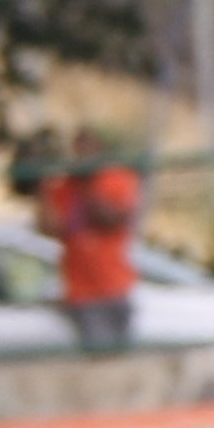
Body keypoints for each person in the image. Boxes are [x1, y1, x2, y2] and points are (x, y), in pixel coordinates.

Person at [38, 128, 141, 354]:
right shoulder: (65, 187)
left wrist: (87, 185)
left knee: (122, 357)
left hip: (115, 286)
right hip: (83, 293)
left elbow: (110, 220)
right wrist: (41, 184)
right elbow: (49, 227)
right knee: (99, 357)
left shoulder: (117, 180)